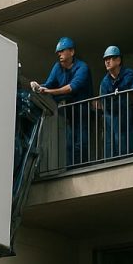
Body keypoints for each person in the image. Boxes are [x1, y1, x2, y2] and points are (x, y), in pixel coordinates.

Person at [30, 36, 92, 166]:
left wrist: (47, 91)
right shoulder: (57, 67)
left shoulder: (82, 67)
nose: (59, 54)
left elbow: (71, 88)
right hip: (68, 112)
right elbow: (49, 84)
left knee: (81, 143)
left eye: (62, 51)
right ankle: (71, 168)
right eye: (59, 52)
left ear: (72, 52)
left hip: (82, 112)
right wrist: (39, 86)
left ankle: (82, 167)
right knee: (68, 144)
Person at [98, 45, 133, 158]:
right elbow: (104, 102)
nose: (107, 61)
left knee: (126, 144)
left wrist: (119, 94)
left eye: (110, 58)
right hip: (111, 117)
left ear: (118, 60)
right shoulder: (105, 82)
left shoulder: (128, 74)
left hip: (126, 115)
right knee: (111, 145)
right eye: (106, 59)